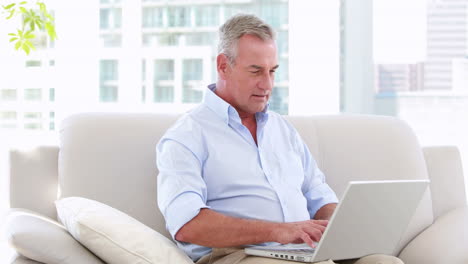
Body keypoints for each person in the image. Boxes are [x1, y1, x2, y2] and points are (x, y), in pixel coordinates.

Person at [156, 14, 403, 264]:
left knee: (385, 262)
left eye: (272, 71)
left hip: (304, 253)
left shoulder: (282, 129)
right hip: (240, 255)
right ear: (223, 66)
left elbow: (318, 196)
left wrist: (345, 229)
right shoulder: (186, 136)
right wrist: (279, 231)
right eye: (256, 71)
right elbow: (186, 223)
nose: (267, 84)